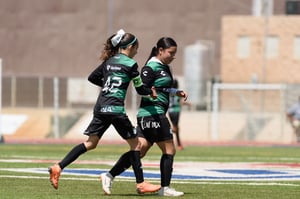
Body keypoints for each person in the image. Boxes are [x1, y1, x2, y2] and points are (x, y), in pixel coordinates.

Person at [48, 29, 161, 195]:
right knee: (136, 145)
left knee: (90, 143)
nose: (137, 51)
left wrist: (108, 82)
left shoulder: (109, 62)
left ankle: (58, 167)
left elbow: (92, 77)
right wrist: (150, 92)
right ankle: (141, 183)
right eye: (136, 48)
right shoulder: (131, 65)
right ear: (129, 47)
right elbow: (140, 89)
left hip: (101, 107)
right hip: (115, 109)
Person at [100, 37, 188, 197]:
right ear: (160, 51)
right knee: (169, 149)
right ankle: (165, 188)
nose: (173, 56)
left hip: (149, 115)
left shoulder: (164, 66)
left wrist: (176, 92)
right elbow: (143, 89)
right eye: (171, 53)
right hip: (153, 114)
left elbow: (162, 88)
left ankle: (109, 175)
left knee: (139, 150)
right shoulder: (151, 67)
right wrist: (151, 95)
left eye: (175, 53)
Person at [168, 79, 191, 150]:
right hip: (176, 111)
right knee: (175, 128)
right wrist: (188, 104)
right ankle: (170, 141)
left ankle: (178, 144)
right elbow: (181, 102)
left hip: (170, 111)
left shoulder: (168, 92)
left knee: (176, 128)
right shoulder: (177, 92)